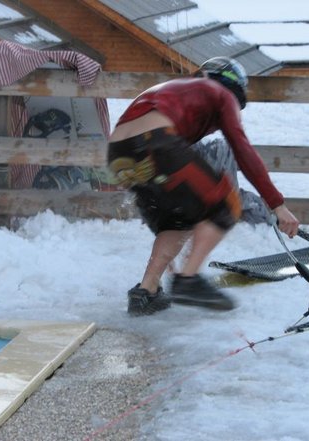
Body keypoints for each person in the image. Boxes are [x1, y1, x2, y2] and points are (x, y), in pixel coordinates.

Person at [107, 56, 299, 316]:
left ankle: (146, 291)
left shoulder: (175, 91)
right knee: (226, 204)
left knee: (178, 221)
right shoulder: (221, 93)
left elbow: (160, 205)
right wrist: (277, 205)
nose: (213, 130)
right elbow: (242, 148)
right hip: (155, 142)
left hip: (118, 154)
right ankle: (188, 281)